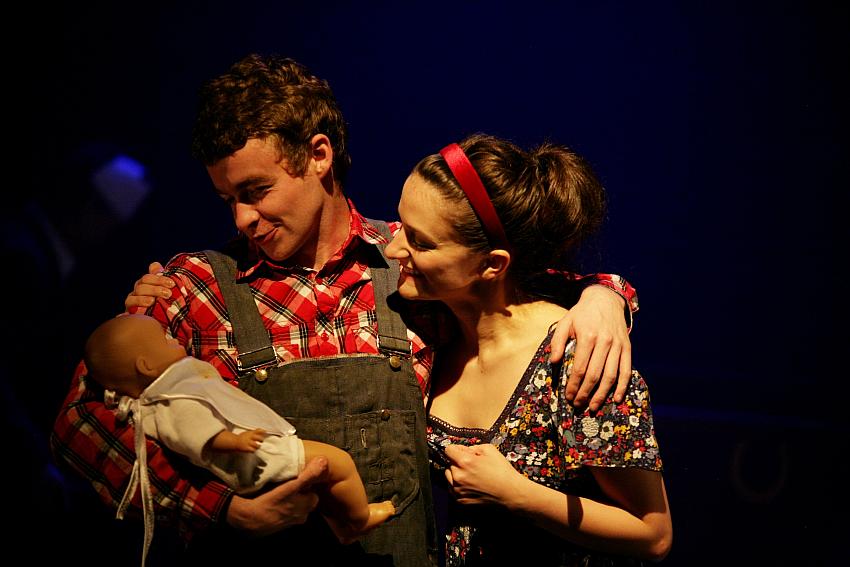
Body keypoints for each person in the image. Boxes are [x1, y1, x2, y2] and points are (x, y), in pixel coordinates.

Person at [51, 53, 639, 566]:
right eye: (228, 199)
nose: (242, 218)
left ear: (318, 155)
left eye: (256, 192)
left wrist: (605, 296)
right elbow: (77, 424)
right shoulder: (195, 286)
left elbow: (513, 278)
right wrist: (219, 507)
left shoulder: (410, 265)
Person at [383, 134, 672, 565]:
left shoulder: (577, 358)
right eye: (400, 225)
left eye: (420, 242)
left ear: (491, 264)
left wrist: (517, 494)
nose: (393, 249)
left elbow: (653, 534)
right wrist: (607, 292)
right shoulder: (433, 329)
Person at [83, 313, 394, 565]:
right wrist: (236, 442)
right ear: (146, 366)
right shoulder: (172, 402)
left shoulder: (175, 387)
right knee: (339, 462)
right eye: (165, 339)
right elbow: (197, 436)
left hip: (256, 456)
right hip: (255, 458)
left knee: (323, 485)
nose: (172, 339)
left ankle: (340, 523)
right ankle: (359, 519)